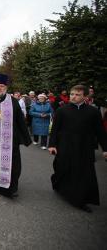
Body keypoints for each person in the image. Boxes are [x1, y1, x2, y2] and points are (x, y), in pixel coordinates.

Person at [49, 85, 107, 213]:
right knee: (62, 169)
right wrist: (52, 145)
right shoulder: (62, 110)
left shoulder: (93, 112)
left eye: (77, 94)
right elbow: (55, 130)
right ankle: (58, 184)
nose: (73, 97)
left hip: (84, 147)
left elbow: (100, 132)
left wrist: (105, 149)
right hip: (64, 146)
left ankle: (79, 200)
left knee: (82, 174)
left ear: (85, 97)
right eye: (72, 94)